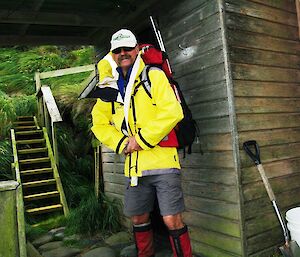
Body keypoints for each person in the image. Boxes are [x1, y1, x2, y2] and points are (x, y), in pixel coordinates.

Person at [91, 29, 193, 257]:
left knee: (171, 219)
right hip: (134, 168)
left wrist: (141, 140)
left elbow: (172, 112)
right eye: (117, 50)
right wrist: (122, 143)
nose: (123, 53)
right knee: (138, 218)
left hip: (164, 163)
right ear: (112, 54)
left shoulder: (153, 75)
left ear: (137, 49)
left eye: (127, 48)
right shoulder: (109, 89)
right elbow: (99, 124)